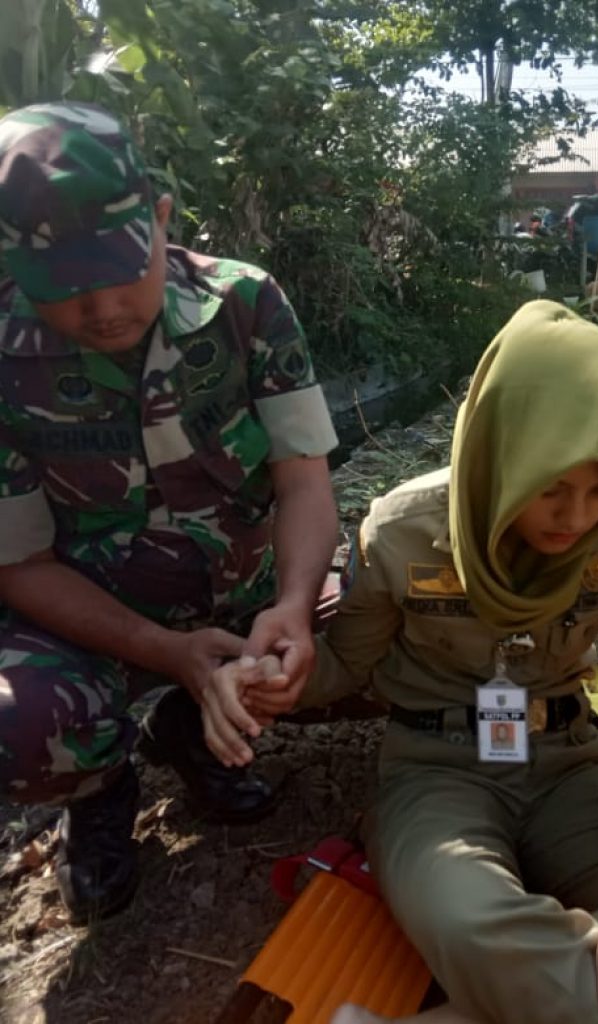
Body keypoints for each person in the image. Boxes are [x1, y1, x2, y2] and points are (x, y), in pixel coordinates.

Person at [205, 299, 598, 1024]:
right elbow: (343, 666)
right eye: (550, 487)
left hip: (573, 767)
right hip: (436, 772)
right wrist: (268, 680)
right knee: (468, 923)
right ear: (499, 452)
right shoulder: (403, 529)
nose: (576, 518)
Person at [0, 102, 342, 922]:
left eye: (121, 269)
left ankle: (190, 729)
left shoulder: (246, 305)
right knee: (20, 724)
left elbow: (304, 484)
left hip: (241, 600)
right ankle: (102, 781)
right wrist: (167, 650)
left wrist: (292, 609)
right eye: (67, 290)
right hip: (89, 628)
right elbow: (19, 564)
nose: (102, 308)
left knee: (374, 611)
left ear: (160, 218)